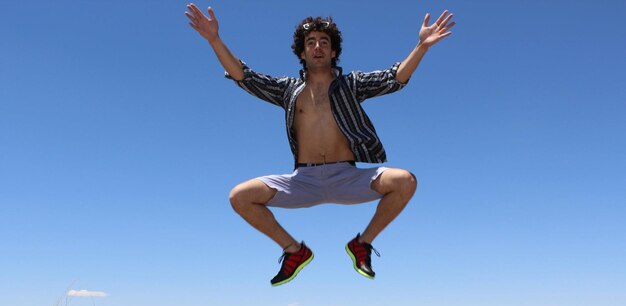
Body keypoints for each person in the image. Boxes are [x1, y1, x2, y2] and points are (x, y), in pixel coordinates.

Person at [185, 4, 455, 286]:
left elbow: (395, 77)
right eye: (310, 43)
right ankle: (294, 251)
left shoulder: (352, 84)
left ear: (333, 51)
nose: (317, 47)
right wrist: (214, 40)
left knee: (405, 181)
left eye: (324, 43)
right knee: (239, 196)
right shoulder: (289, 90)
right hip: (304, 180)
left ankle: (362, 244)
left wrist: (422, 46)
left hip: (348, 177)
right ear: (302, 53)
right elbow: (245, 77)